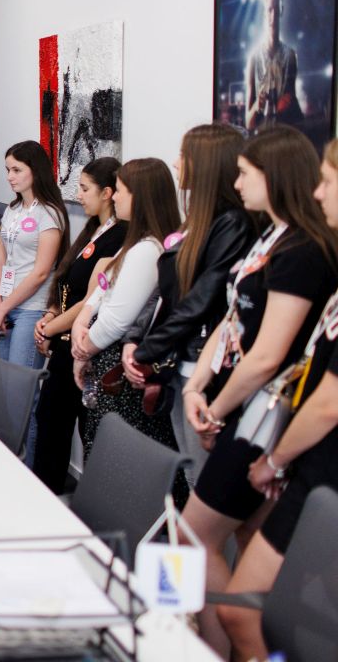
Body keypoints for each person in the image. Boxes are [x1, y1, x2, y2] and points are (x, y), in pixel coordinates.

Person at [179, 126, 338, 656]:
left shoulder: (304, 252)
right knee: (246, 542)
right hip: (247, 411)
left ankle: (222, 649)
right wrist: (198, 385)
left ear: (275, 177)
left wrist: (216, 410)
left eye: (246, 174)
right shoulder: (270, 238)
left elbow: (270, 356)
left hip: (264, 420)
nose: (237, 183)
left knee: (195, 536)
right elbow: (232, 320)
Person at [122, 124, 254, 486]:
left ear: (207, 164)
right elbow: (166, 293)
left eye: (184, 155)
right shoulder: (199, 221)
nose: (177, 163)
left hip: (203, 364)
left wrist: (146, 350)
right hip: (181, 360)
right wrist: (136, 340)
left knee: (204, 480)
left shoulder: (232, 225)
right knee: (193, 472)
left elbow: (201, 300)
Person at [70, 159, 182, 463]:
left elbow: (117, 320)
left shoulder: (147, 250)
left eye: (120, 191)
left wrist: (82, 349)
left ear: (141, 197)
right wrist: (81, 322)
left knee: (114, 460)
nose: (115, 197)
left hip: (115, 365)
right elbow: (101, 290)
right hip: (102, 355)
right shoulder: (134, 242)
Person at [31, 157, 124, 493]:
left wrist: (50, 328)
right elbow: (67, 280)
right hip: (64, 340)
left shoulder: (120, 236)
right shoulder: (93, 229)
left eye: (85, 189)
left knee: (85, 429)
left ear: (108, 193)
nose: (78, 195)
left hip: (86, 346)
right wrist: (51, 315)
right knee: (50, 422)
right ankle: (45, 494)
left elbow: (91, 299)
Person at [0, 141, 68, 463]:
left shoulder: (50, 214)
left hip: (31, 310)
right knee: (8, 394)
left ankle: (28, 470)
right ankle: (11, 462)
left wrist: (3, 309)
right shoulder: (12, 210)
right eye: (8, 169)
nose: (10, 176)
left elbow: (41, 272)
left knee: (22, 397)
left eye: (17, 170)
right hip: (5, 308)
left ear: (36, 171)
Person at [245, 0, 301, 131]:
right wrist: (256, 106)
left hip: (283, 137)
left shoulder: (290, 56)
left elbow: (293, 109)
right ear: (264, 12)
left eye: (276, 9)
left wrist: (287, 105)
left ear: (282, 10)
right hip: (261, 139)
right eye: (270, 10)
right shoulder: (254, 58)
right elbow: (248, 122)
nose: (273, 15)